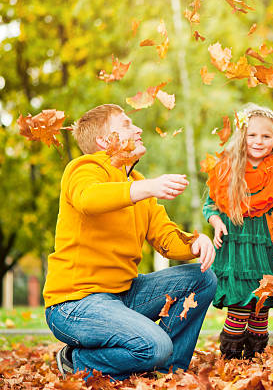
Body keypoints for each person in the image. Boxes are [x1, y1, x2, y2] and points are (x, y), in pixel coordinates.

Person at [43, 104, 218, 381]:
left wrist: (196, 242)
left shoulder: (137, 184)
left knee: (202, 278)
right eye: (126, 124)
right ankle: (77, 360)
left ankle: (167, 373)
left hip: (122, 295)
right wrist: (145, 188)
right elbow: (88, 199)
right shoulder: (83, 169)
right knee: (155, 345)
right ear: (104, 141)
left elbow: (166, 238)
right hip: (74, 304)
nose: (137, 129)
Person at [202, 103, 273, 359]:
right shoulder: (226, 168)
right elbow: (210, 204)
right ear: (241, 136)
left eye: (266, 136)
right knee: (240, 304)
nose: (258, 141)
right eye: (252, 135)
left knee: (260, 306)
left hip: (265, 246)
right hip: (237, 245)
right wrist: (216, 222)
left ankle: (255, 357)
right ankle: (231, 358)